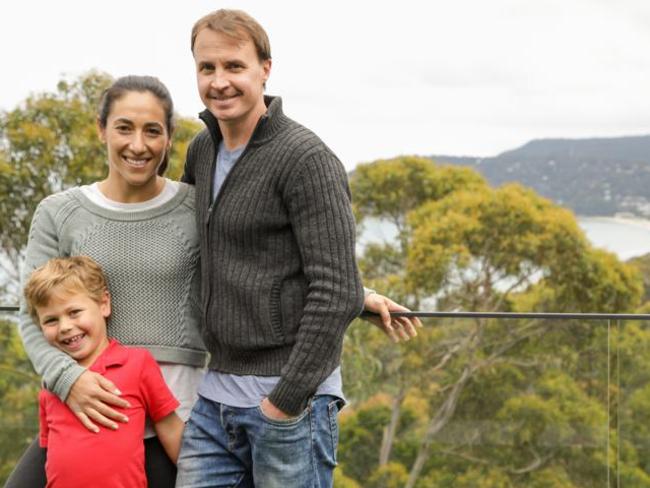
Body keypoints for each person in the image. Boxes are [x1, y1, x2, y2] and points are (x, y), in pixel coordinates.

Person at [7, 73, 418, 487]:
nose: (138, 144)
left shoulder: (191, 205)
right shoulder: (57, 212)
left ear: (169, 139)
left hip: (174, 415)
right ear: (101, 130)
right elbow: (31, 315)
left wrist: (354, 294)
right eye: (124, 128)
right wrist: (69, 379)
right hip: (82, 407)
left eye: (153, 131)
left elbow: (251, 264)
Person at [176, 9, 422, 487]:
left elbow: (334, 289)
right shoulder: (200, 151)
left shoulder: (306, 158)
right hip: (214, 399)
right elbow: (205, 249)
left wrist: (285, 401)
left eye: (234, 66)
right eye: (207, 68)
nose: (219, 81)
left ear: (265, 69)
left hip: (289, 404)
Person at [24, 256, 184, 487]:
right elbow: (49, 457)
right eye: (51, 320)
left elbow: (171, 429)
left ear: (103, 304)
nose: (65, 326)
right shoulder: (52, 385)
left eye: (74, 312)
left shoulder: (137, 364)